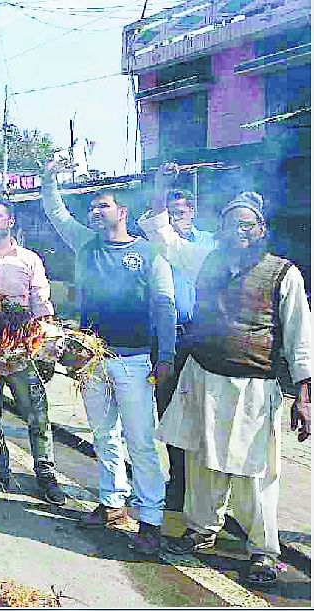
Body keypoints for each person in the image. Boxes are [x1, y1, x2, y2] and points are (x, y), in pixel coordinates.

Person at [140, 191, 310, 587]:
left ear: (261, 229)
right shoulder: (205, 261)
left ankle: (263, 550)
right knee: (201, 461)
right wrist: (160, 190)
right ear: (220, 230)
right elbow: (164, 237)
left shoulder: (285, 273)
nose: (239, 231)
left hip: (253, 388)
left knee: (255, 470)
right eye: (232, 223)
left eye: (247, 224)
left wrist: (304, 398)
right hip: (202, 378)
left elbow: (302, 339)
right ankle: (201, 529)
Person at [41, 159, 175, 556]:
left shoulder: (150, 254)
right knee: (103, 434)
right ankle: (113, 502)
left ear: (123, 212)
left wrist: (164, 355)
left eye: (104, 205)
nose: (96, 212)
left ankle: (150, 519)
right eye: (93, 207)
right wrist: (50, 179)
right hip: (92, 359)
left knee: (141, 442)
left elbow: (164, 305)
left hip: (134, 361)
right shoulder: (85, 244)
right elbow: (56, 211)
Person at [0, 199, 66, 506]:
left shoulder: (29, 259)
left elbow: (41, 304)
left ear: (10, 222)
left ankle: (46, 474)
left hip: (22, 350)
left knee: (37, 415)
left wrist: (46, 348)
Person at [144, 168, 218, 511]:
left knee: (203, 414)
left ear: (193, 213)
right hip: (164, 339)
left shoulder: (208, 245)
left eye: (181, 213)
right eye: (169, 214)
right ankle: (178, 482)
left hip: (200, 341)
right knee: (170, 412)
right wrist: (160, 188)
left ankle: (203, 491)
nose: (175, 219)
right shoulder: (157, 247)